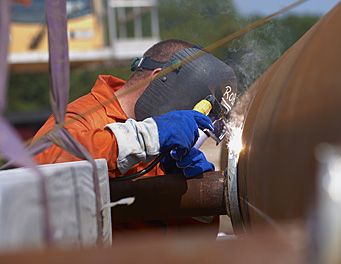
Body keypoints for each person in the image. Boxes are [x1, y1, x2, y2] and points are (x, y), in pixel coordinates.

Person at [33, 39, 237, 179]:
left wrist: (196, 200)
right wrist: (147, 137)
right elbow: (44, 160)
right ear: (160, 79)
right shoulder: (88, 114)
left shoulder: (164, 150)